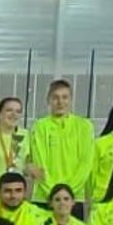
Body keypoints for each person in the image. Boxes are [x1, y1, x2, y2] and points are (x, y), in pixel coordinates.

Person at [26, 79, 94, 215]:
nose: (60, 102)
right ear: (48, 100)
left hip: (74, 198)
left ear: (71, 100)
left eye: (65, 97)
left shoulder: (85, 126)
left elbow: (86, 163)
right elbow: (39, 162)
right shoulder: (39, 126)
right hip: (44, 197)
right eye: (55, 97)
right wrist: (53, 193)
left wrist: (67, 194)